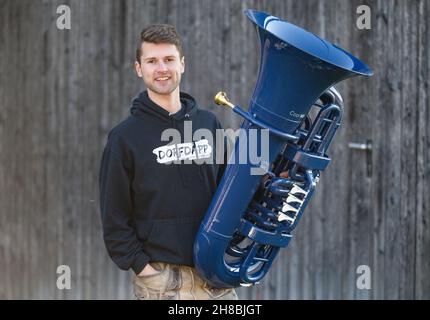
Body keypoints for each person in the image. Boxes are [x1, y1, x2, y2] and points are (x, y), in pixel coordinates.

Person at [99, 24, 238, 300]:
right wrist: (145, 270)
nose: (161, 68)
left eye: (169, 60)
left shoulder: (209, 124)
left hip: (215, 280)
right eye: (152, 61)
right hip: (162, 284)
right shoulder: (124, 138)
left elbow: (231, 191)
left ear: (182, 64)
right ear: (139, 68)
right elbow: (114, 219)